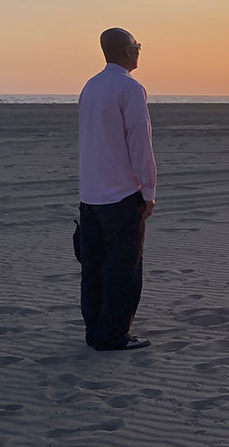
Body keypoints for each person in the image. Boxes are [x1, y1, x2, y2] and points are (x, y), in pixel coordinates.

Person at [77, 27, 157, 351]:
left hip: (91, 194)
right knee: (123, 267)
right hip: (121, 194)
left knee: (93, 267)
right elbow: (140, 142)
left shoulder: (90, 87)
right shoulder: (130, 88)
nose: (140, 49)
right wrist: (148, 190)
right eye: (136, 45)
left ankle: (96, 328)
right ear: (126, 51)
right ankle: (113, 334)